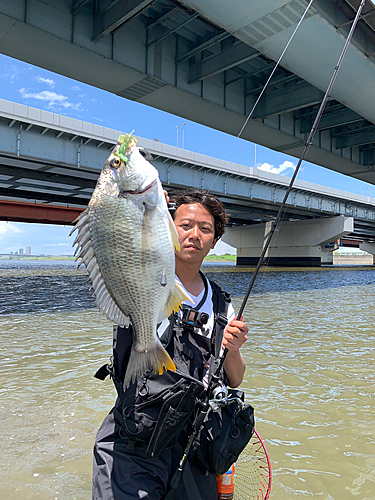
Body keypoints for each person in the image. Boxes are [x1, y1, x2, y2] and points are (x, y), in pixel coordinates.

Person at [92, 189, 248, 500]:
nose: (195, 235)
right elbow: (114, 242)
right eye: (185, 225)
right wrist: (138, 209)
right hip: (134, 441)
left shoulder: (220, 304)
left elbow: (235, 378)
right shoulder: (140, 274)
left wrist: (234, 347)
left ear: (215, 241)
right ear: (167, 226)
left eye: (205, 229)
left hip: (192, 445)